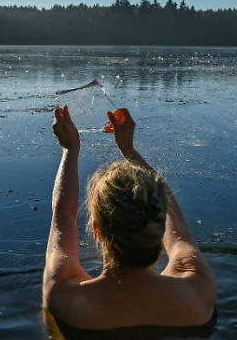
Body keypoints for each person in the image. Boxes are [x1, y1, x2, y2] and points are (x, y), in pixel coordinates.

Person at [42, 105, 217, 339]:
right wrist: (128, 149)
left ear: (97, 230)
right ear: (160, 227)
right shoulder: (198, 290)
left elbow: (63, 216)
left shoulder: (65, 298)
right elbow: (176, 223)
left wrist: (70, 150)